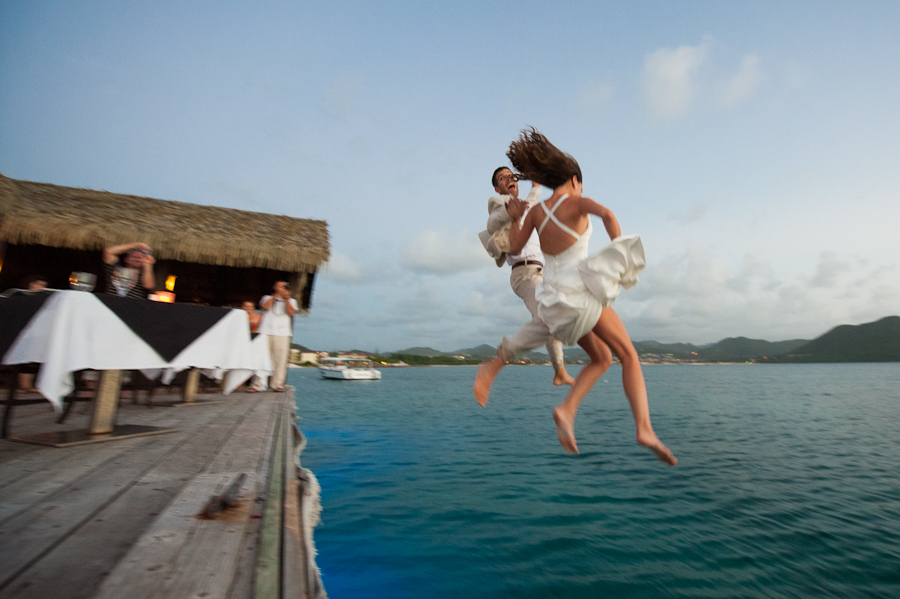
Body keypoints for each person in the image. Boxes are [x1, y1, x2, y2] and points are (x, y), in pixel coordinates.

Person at [475, 128, 676, 466]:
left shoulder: (537, 212)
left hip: (555, 301)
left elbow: (517, 242)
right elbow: (609, 216)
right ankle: (644, 428)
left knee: (600, 357)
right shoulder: (578, 203)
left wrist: (518, 213)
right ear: (573, 178)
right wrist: (619, 256)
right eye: (580, 183)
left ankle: (565, 409)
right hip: (581, 296)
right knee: (628, 355)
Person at [481, 166, 575, 389]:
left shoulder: (524, 207)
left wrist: (536, 189)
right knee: (548, 317)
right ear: (497, 187)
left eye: (511, 176)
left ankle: (559, 371)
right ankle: (500, 359)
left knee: (553, 319)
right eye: (502, 178)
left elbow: (530, 209)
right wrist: (528, 196)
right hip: (524, 273)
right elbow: (493, 223)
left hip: (541, 271)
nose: (509, 179)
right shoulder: (498, 204)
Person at [252, 281, 297, 392]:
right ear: (274, 287)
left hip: (283, 333)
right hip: (266, 331)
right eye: (279, 286)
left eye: (284, 286)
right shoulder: (266, 298)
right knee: (261, 357)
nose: (282, 288)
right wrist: (275, 296)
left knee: (280, 360)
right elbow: (264, 307)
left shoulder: (292, 301)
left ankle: (277, 384)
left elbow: (291, 312)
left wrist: (286, 298)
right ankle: (256, 384)